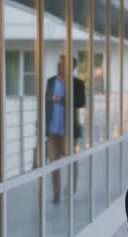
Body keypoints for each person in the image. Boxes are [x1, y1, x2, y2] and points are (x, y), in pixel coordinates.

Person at [45, 55, 86, 203]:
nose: (60, 66)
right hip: (52, 130)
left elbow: (81, 102)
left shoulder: (77, 83)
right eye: (59, 63)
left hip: (69, 131)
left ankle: (71, 187)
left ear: (71, 67)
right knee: (53, 162)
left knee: (71, 160)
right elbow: (46, 104)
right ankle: (56, 193)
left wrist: (62, 100)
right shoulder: (51, 82)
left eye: (63, 64)